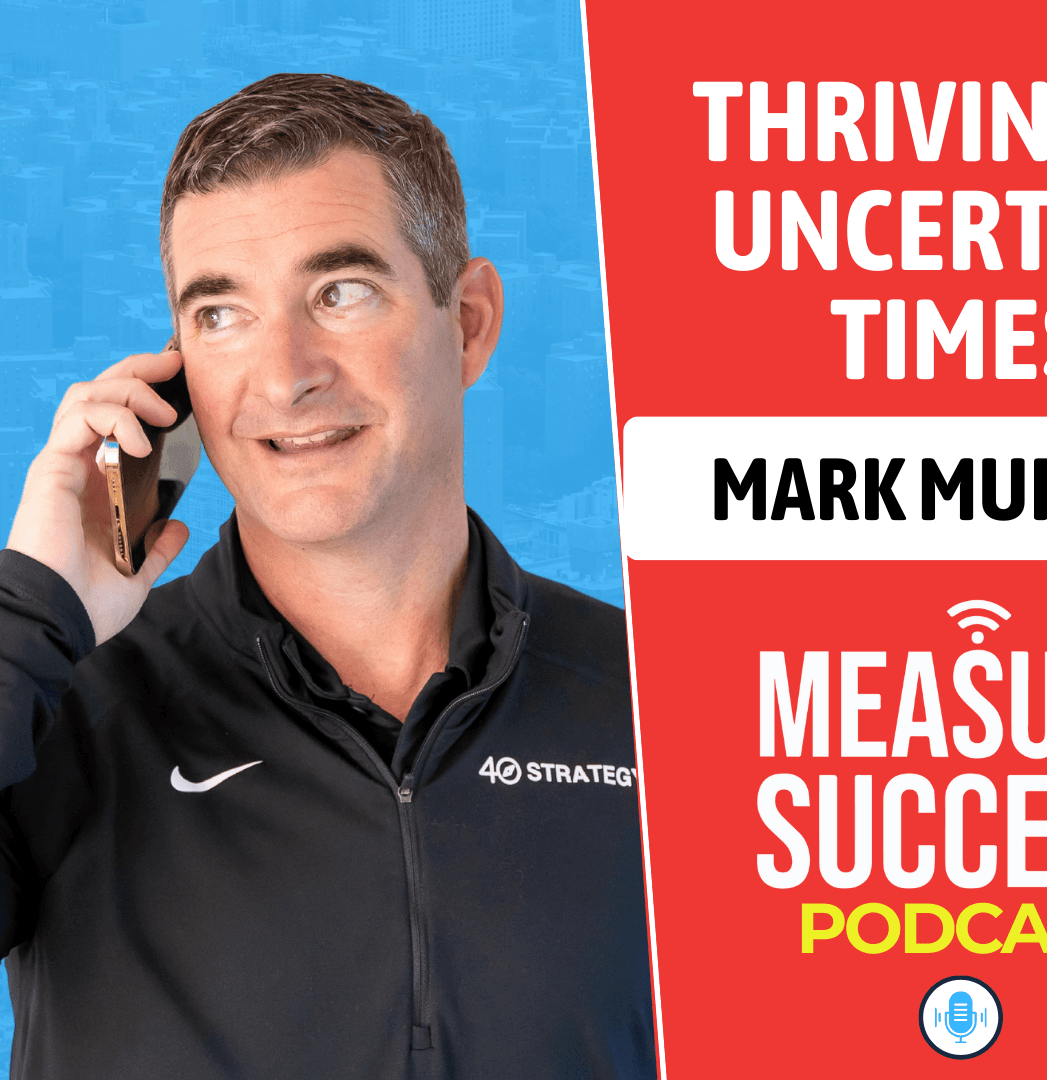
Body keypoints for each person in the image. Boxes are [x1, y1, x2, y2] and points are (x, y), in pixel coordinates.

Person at [0, 74, 654, 1077]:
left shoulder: (658, 704)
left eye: (339, 293)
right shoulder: (63, 708)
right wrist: (32, 611)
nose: (285, 374)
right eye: (220, 316)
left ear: (469, 321)